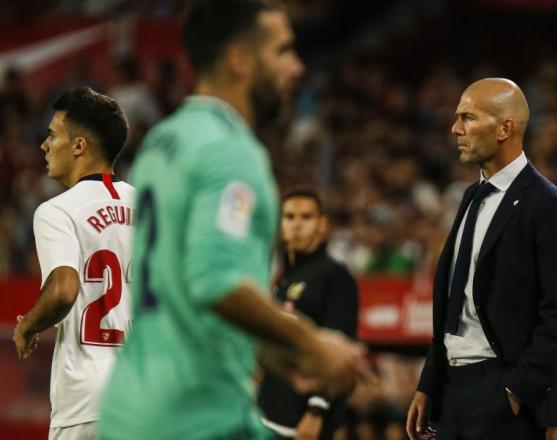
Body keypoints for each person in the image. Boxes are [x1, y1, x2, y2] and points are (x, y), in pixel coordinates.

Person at [99, 1, 372, 439]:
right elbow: (216, 282)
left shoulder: (163, 140)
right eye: (283, 51)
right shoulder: (231, 151)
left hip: (131, 409)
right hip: (194, 416)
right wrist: (312, 344)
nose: (297, 67)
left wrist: (281, 351)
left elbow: (185, 294)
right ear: (240, 60)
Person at [405, 78, 557, 440]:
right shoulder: (472, 195)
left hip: (501, 390)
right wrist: (429, 382)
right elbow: (453, 305)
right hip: (453, 391)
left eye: (468, 118)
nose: (456, 129)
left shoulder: (548, 206)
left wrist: (516, 391)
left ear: (505, 128)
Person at [12, 87, 132, 440]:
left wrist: (27, 326)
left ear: (79, 146)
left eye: (52, 135)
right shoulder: (153, 210)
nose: (44, 145)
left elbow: (64, 289)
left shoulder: (57, 211)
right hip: (147, 396)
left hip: (87, 402)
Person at [259, 187, 359, 440]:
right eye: (289, 217)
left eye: (306, 217)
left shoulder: (334, 276)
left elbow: (339, 349)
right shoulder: (282, 278)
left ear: (322, 225)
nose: (296, 225)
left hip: (305, 419)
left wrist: (317, 410)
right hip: (271, 413)